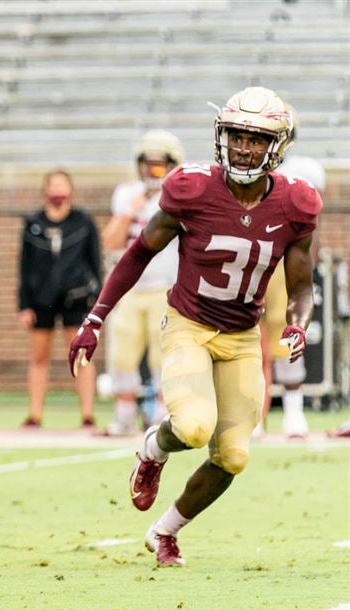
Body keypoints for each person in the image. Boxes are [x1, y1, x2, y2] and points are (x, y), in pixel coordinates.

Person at [68, 87, 319, 566]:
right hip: (190, 324)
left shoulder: (296, 203)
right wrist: (95, 317)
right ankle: (151, 450)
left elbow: (301, 284)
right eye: (237, 136)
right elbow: (139, 252)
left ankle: (166, 531)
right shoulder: (194, 188)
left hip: (243, 337)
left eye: (256, 138)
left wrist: (297, 323)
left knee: (234, 457)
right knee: (194, 425)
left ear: (278, 145)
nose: (244, 147)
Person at [97, 131, 184, 436]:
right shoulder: (126, 194)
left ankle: (161, 417)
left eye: (160, 165)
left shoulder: (179, 195)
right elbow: (110, 242)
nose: (152, 171)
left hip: (165, 286)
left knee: (164, 355)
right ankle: (123, 417)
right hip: (132, 289)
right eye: (148, 164)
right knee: (122, 355)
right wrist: (129, 211)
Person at [19, 170, 101, 428]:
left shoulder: (83, 222)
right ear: (45, 190)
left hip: (75, 298)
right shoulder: (33, 223)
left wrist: (96, 301)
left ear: (71, 190)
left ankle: (87, 414)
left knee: (81, 356)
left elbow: (95, 263)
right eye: (53, 185)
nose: (57, 190)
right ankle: (35, 415)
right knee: (39, 357)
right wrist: (24, 304)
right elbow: (24, 267)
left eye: (62, 185)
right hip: (41, 299)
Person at [266, 105, 325, 440]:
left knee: (289, 331)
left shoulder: (304, 172)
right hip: (249, 262)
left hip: (285, 263)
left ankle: (293, 409)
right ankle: (252, 413)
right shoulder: (239, 171)